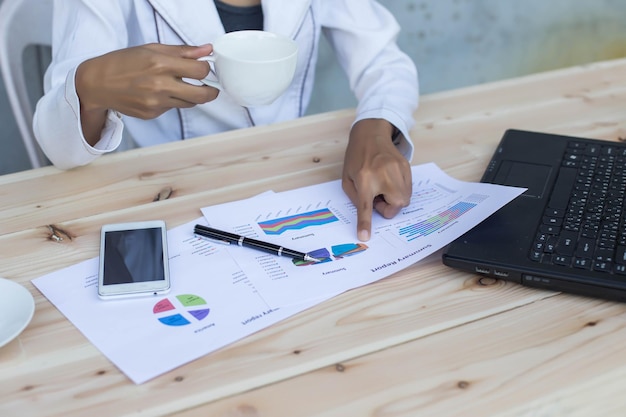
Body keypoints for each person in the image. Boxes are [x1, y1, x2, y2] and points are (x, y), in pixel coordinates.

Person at [33, 0, 419, 241]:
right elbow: (60, 146)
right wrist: (87, 88)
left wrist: (376, 124)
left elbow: (384, 61)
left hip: (293, 181)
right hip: (170, 198)